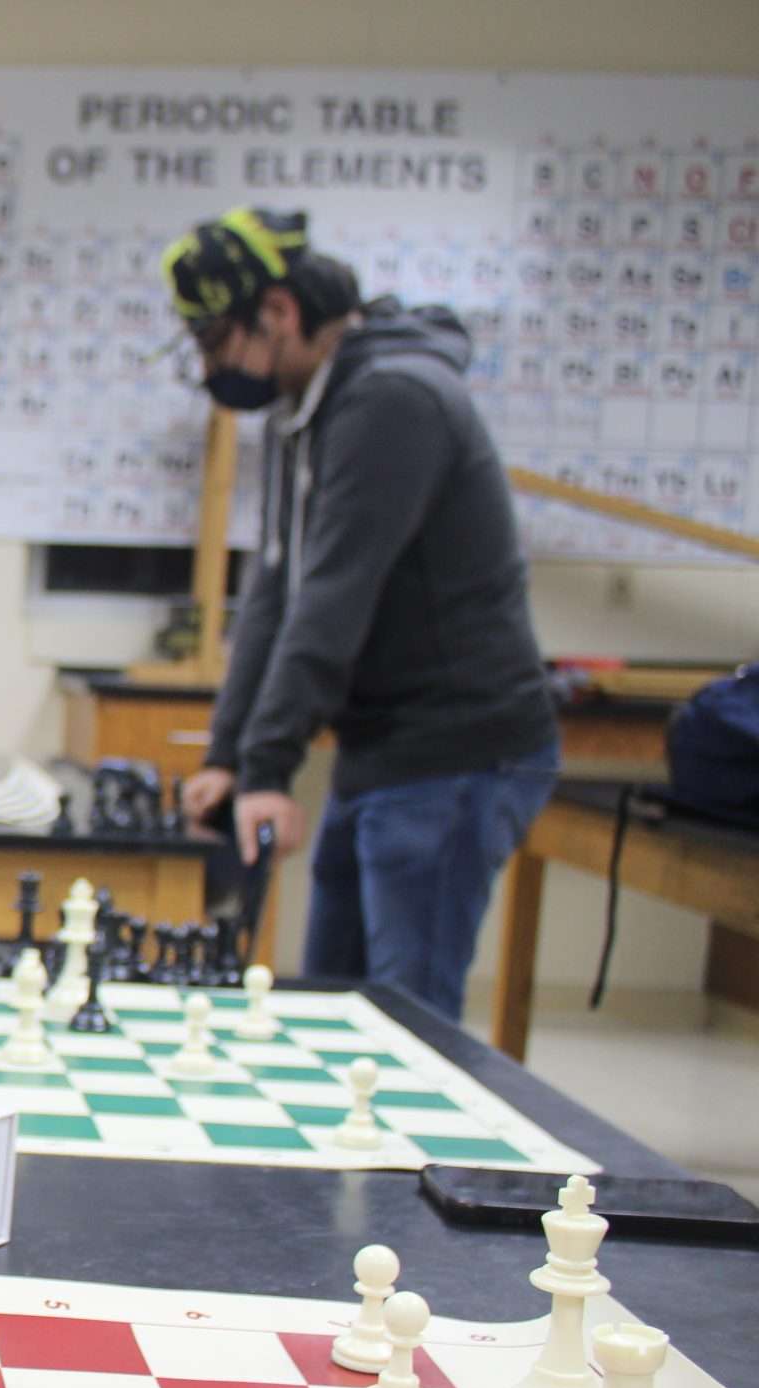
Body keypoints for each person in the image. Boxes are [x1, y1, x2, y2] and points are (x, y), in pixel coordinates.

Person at [169, 207, 560, 1020]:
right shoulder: (304, 407)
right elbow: (277, 588)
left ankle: (426, 1155)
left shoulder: (392, 402)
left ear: (278, 313)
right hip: (381, 748)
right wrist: (232, 755)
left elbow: (335, 596)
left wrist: (271, 767)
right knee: (334, 1008)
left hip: (456, 754)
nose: (215, 368)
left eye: (218, 342)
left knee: (407, 1025)